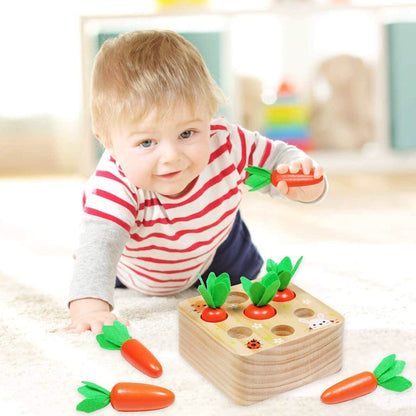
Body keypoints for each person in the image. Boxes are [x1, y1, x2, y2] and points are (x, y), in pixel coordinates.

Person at [68, 30, 326, 334]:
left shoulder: (226, 143)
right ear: (108, 141)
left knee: (254, 296)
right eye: (147, 142)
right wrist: (90, 309)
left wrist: (305, 183)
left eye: (187, 134)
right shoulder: (113, 184)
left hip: (217, 247)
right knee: (98, 272)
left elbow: (280, 157)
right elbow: (99, 245)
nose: (171, 157)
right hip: (137, 265)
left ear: (208, 116)